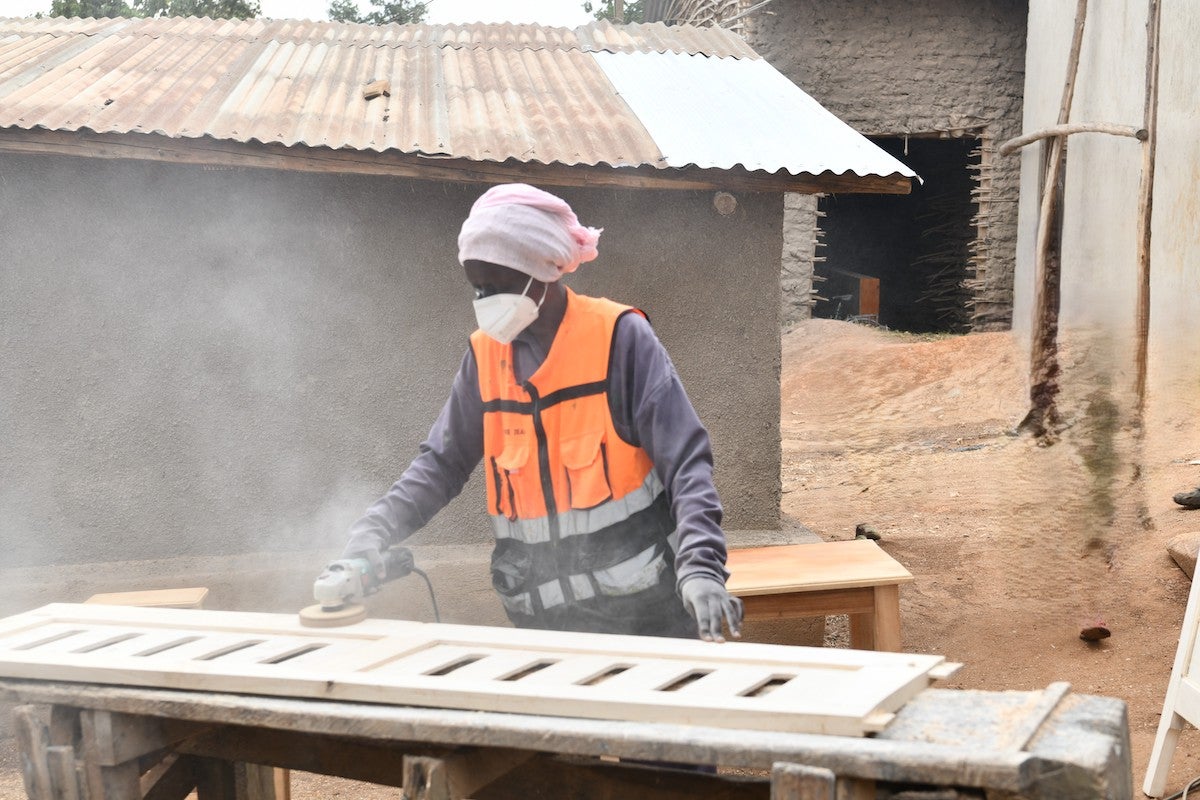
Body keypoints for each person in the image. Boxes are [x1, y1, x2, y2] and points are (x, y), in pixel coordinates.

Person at [341, 183, 743, 642]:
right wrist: (373, 532)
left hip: (651, 619)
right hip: (541, 629)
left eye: (497, 286)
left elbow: (686, 463)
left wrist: (702, 571)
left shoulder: (620, 338)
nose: (484, 302)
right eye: (476, 287)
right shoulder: (484, 357)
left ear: (541, 271)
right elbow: (440, 465)